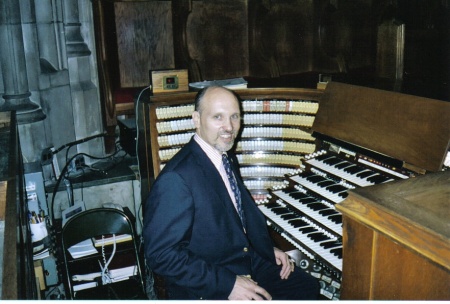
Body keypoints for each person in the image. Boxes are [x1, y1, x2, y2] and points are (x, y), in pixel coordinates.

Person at [143, 86, 319, 300]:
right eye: (218, 117)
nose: (229, 127)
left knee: (307, 287)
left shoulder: (223, 154)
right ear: (196, 120)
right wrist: (228, 285)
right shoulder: (177, 178)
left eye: (234, 117)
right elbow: (161, 255)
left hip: (244, 258)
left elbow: (237, 216)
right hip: (209, 279)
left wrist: (265, 248)